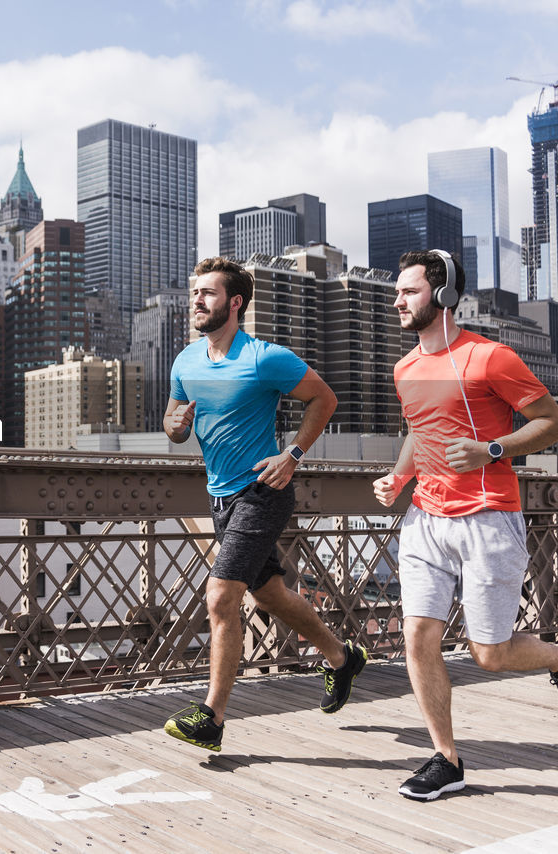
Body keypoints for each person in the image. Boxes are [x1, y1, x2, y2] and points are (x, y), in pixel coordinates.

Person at [372, 249, 558, 801]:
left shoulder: (491, 357)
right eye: (397, 292)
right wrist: (398, 479)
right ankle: (446, 759)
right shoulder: (405, 368)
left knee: (488, 654)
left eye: (409, 291)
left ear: (443, 296)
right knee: (417, 635)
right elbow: (420, 433)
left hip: (489, 516)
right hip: (426, 518)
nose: (397, 300)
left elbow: (553, 423)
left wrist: (491, 447)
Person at [162, 256, 369, 753]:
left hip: (262, 491)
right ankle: (343, 659)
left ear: (235, 303)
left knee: (220, 597)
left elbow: (324, 399)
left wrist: (292, 455)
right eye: (195, 292)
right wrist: (177, 425)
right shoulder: (186, 360)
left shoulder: (264, 357)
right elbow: (172, 418)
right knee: (272, 596)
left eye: (207, 293)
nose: (196, 299)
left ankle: (212, 717)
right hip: (220, 498)